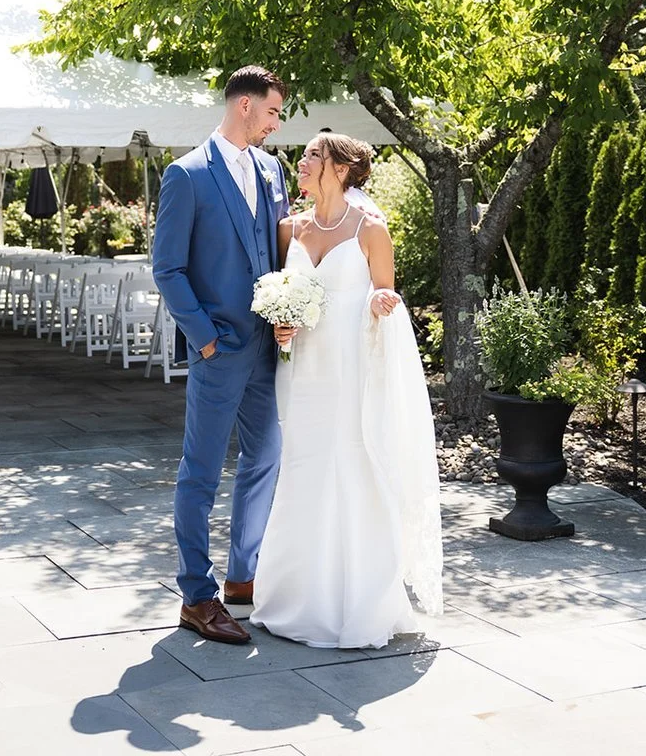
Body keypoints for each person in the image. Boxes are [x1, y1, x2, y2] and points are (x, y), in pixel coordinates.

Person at [251, 132, 443, 648]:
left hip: (351, 369)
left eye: (313, 155)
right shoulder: (289, 228)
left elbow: (385, 293)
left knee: (351, 466)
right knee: (302, 467)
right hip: (303, 372)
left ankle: (358, 601)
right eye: (304, 154)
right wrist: (282, 324)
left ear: (340, 168)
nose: (302, 161)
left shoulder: (370, 228)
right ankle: (295, 596)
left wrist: (380, 303)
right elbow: (287, 293)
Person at [151, 65, 291, 645]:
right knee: (201, 471)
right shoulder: (186, 175)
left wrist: (290, 307)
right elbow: (167, 268)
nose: (276, 124)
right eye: (273, 112)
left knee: (267, 456)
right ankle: (196, 596)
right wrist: (204, 337)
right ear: (244, 105)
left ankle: (242, 575)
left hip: (267, 347)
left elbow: (279, 249)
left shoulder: (272, 170)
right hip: (219, 347)